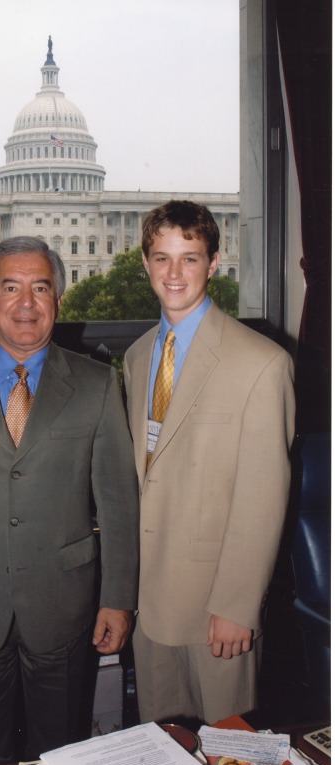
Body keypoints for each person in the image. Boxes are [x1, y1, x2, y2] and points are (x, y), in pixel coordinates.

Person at [0, 236, 139, 765]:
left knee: (64, 760)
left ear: (58, 298)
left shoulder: (98, 385)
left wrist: (118, 600)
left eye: (40, 287)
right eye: (11, 287)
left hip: (65, 606)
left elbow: (119, 503)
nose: (25, 303)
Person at [123, 200, 295, 725]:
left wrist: (238, 605)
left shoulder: (262, 362)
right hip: (150, 602)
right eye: (162, 258)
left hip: (216, 606)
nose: (174, 273)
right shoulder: (135, 357)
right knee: (162, 744)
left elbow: (263, 496)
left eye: (190, 258)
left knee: (230, 757)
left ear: (214, 263)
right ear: (146, 263)